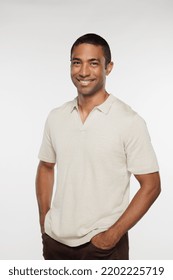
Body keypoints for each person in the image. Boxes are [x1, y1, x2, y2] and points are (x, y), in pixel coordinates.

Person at [35, 33, 161, 260]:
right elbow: (45, 167)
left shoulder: (129, 121)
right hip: (55, 243)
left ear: (108, 68)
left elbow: (151, 186)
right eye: (77, 62)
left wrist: (112, 236)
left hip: (103, 246)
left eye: (93, 63)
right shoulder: (56, 117)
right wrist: (45, 222)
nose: (83, 72)